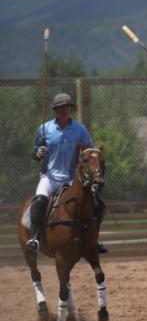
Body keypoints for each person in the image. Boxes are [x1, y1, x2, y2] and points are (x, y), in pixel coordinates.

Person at [26, 93, 107, 254]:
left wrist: (96, 155)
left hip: (71, 179)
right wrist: (38, 153)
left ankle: (93, 240)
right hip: (49, 177)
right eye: (61, 107)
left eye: (67, 107)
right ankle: (35, 238)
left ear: (71, 109)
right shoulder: (44, 129)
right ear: (55, 110)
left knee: (96, 204)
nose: (65, 110)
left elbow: (89, 151)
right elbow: (35, 152)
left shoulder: (80, 129)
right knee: (39, 201)